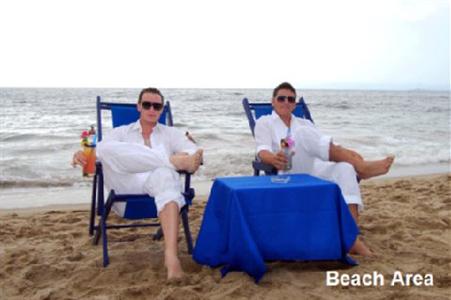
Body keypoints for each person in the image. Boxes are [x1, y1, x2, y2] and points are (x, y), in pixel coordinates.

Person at [72, 87, 203, 280]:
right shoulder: (121, 132)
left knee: (165, 175)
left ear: (161, 110)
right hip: (126, 187)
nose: (152, 109)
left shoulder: (170, 133)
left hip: (158, 189)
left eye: (157, 106)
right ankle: (168, 161)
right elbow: (101, 152)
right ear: (138, 107)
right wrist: (81, 153)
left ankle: (171, 257)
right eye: (147, 104)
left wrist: (189, 155)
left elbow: (193, 153)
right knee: (106, 147)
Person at [254, 82, 394, 256]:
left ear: (295, 104)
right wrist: (273, 158)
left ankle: (351, 238)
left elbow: (324, 146)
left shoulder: (304, 122)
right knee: (302, 134)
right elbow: (261, 150)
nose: (286, 102)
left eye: (290, 99)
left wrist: (350, 155)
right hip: (288, 167)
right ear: (273, 101)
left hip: (315, 166)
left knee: (345, 168)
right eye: (281, 98)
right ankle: (362, 169)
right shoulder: (265, 122)